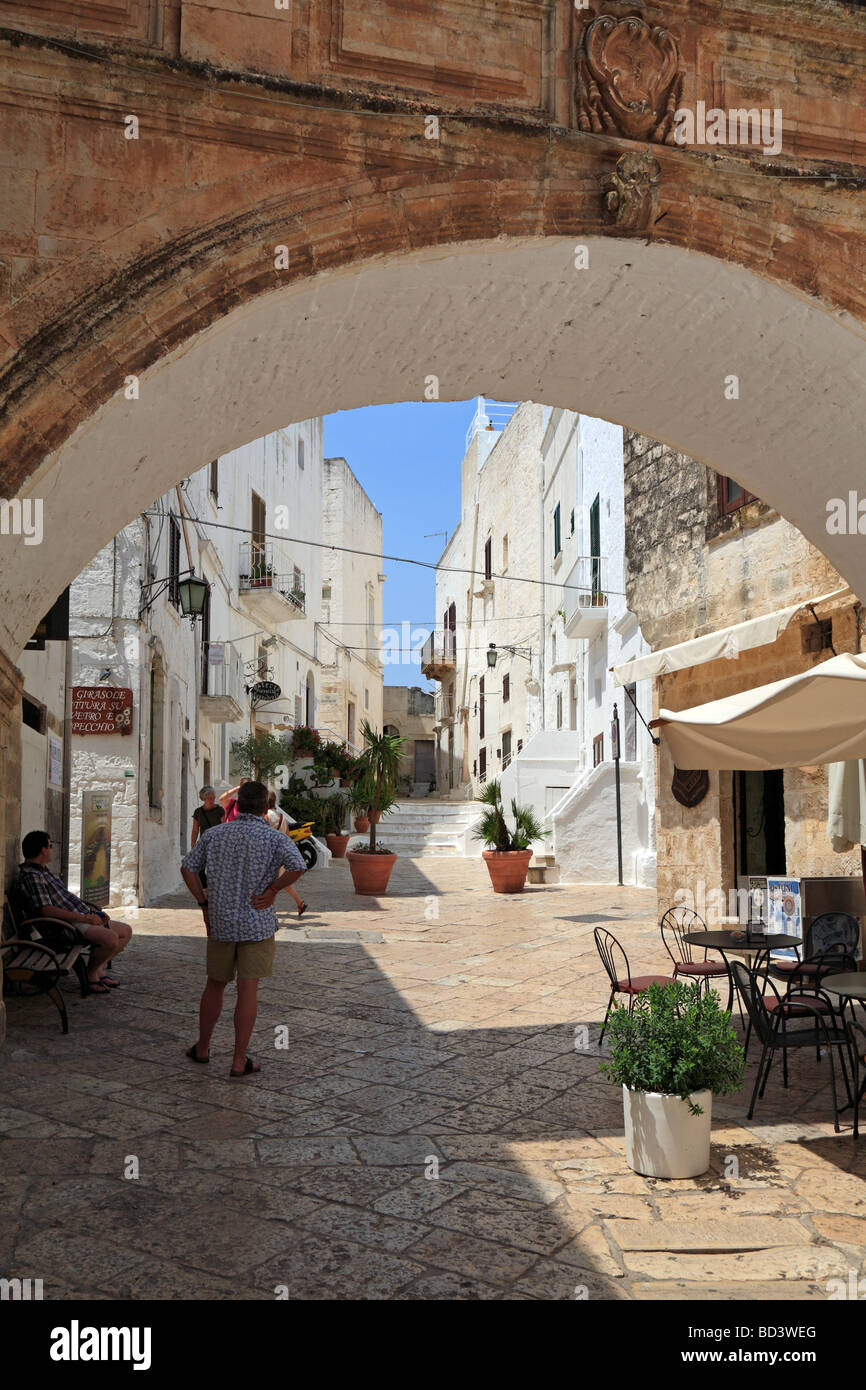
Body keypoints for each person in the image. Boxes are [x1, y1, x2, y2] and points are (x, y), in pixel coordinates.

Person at [180, 779, 306, 1077]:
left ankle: (203, 1047)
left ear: (238, 804)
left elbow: (188, 867)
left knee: (215, 984)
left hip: (221, 921)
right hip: (257, 923)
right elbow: (298, 865)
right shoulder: (273, 838)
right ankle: (239, 1060)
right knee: (248, 989)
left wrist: (203, 903)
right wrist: (274, 889)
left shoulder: (215, 835)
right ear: (265, 807)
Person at [17, 830, 132, 994]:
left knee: (126, 931)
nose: (51, 849)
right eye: (50, 846)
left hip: (80, 918)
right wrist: (86, 918)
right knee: (111, 939)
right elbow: (47, 910)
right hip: (66, 926)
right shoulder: (33, 876)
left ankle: (98, 969)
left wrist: (94, 912)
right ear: (43, 850)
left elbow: (65, 898)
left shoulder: (43, 870)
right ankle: (91, 975)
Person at [266, 790, 307, 918]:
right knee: (282, 882)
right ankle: (300, 903)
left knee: (269, 882)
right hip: (281, 853)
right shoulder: (282, 817)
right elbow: (288, 836)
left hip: (269, 854)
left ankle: (270, 908)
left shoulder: (264, 816)